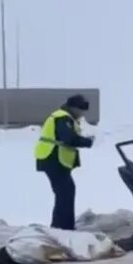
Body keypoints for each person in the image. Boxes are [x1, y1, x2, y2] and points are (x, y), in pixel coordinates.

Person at [33, 95, 96, 231]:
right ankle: (60, 227)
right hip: (52, 158)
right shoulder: (62, 117)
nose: (82, 113)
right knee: (64, 193)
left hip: (56, 160)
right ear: (73, 107)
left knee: (66, 191)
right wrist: (87, 142)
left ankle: (65, 226)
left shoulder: (67, 118)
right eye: (81, 109)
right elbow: (68, 138)